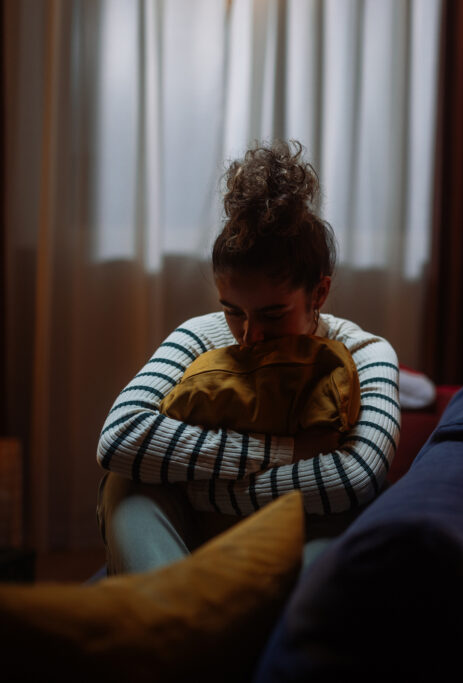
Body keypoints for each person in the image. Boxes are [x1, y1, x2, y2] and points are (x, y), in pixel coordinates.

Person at [96, 141, 400, 574]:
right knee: (124, 484)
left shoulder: (367, 352)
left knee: (347, 518)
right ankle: (180, 614)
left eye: (273, 314)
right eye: (233, 310)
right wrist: (291, 451)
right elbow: (119, 437)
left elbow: (355, 478)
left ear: (319, 293)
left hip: (296, 537)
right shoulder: (199, 336)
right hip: (195, 538)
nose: (250, 336)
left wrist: (201, 487)